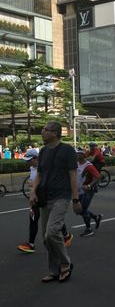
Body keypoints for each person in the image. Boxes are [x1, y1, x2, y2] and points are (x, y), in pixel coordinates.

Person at [30, 121, 81, 283]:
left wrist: (75, 199)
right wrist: (32, 192)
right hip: (45, 197)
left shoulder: (67, 150)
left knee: (52, 232)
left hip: (62, 196)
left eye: (45, 130)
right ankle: (54, 270)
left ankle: (66, 264)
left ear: (55, 133)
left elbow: (73, 175)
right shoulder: (43, 151)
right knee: (46, 238)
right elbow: (39, 174)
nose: (42, 132)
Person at [17, 149, 73, 253]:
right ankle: (31, 244)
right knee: (33, 218)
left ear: (36, 158)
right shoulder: (32, 168)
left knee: (53, 219)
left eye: (29, 160)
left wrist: (34, 184)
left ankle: (66, 235)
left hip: (46, 196)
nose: (27, 162)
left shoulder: (45, 167)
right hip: (36, 196)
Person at [75, 148, 103, 237]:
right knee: (79, 210)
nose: (75, 155)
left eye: (77, 154)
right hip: (79, 191)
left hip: (88, 191)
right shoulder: (77, 164)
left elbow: (98, 177)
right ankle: (96, 217)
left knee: (82, 210)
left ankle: (89, 229)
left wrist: (89, 185)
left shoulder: (88, 166)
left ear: (83, 155)